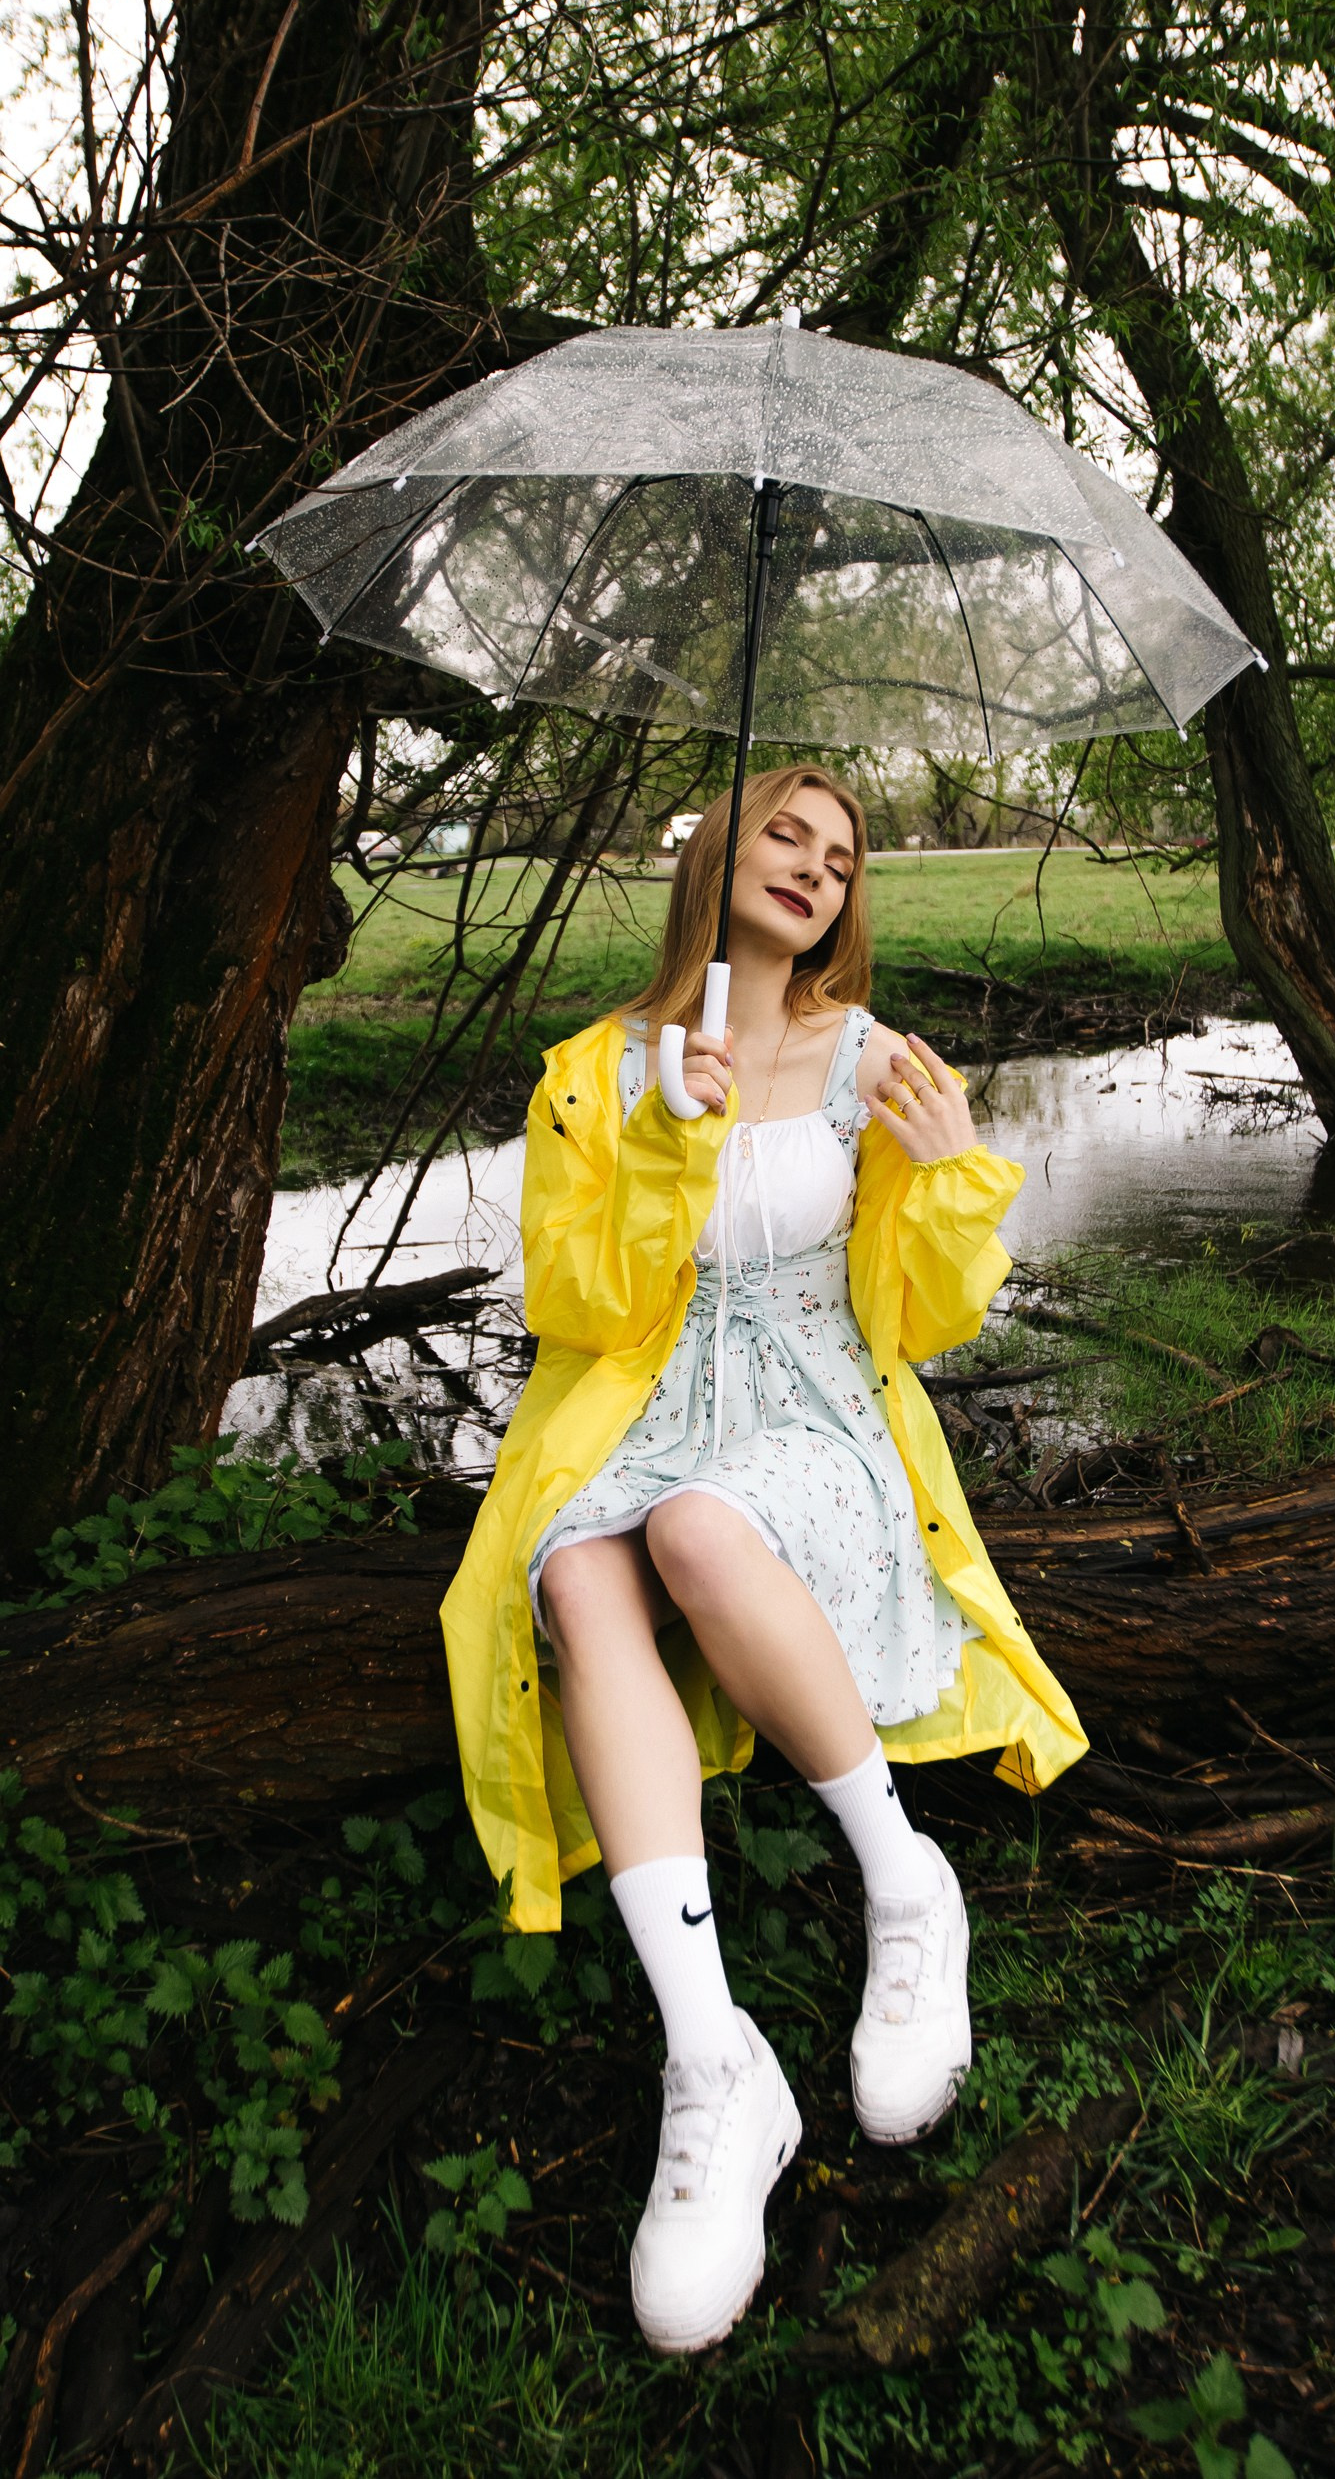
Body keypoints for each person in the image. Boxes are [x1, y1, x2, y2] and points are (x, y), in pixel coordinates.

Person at [440, 763, 1086, 2353]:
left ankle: (906, 1882)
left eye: (840, 857)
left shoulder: (876, 1062)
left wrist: (949, 1170)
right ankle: (715, 2061)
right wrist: (668, 1137)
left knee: (695, 1528)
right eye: (784, 834)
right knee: (576, 1577)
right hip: (638, 1408)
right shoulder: (601, 1070)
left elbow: (926, 1318)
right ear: (717, 854)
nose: (813, 867)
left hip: (814, 1415)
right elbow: (575, 1305)